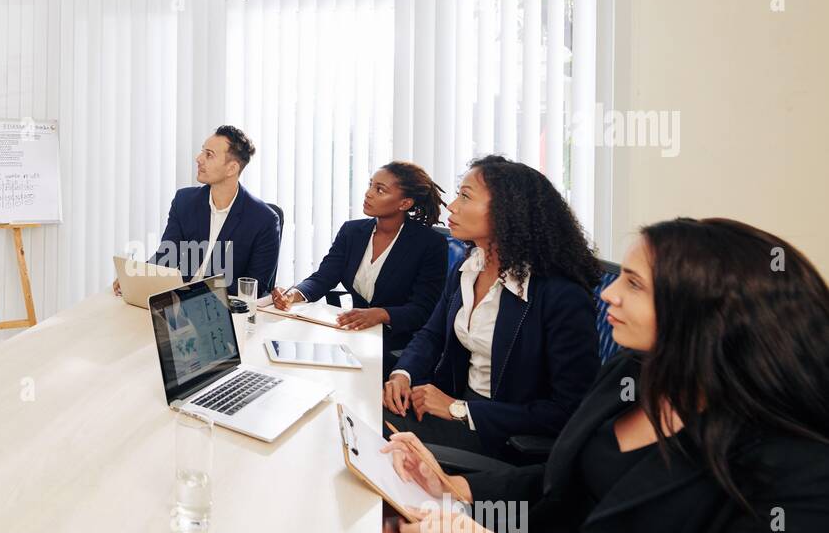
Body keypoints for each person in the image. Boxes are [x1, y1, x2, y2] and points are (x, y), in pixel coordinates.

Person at [380, 218, 829, 533]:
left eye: (634, 284)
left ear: (707, 313)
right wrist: (454, 486)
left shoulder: (799, 472)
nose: (608, 294)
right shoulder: (632, 375)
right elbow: (563, 485)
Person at [383, 155, 600, 459]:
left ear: (507, 212)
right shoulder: (469, 266)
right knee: (358, 411)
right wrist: (402, 374)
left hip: (502, 438)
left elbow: (568, 411)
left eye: (466, 196)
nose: (452, 206)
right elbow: (431, 335)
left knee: (370, 432)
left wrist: (460, 409)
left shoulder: (560, 296)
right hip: (452, 408)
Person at [269, 162, 447, 380]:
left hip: (398, 343)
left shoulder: (430, 244)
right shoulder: (352, 231)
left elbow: (424, 310)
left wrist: (382, 314)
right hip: (355, 334)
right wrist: (294, 294)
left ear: (405, 203)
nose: (368, 194)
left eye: (380, 190)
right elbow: (323, 277)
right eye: (371, 185)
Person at [114, 125, 281, 297]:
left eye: (209, 155)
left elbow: (255, 287)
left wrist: (196, 294)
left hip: (225, 310)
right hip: (180, 304)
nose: (199, 158)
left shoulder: (264, 219)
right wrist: (137, 278)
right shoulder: (184, 201)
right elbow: (166, 257)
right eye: (202, 152)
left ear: (232, 168)